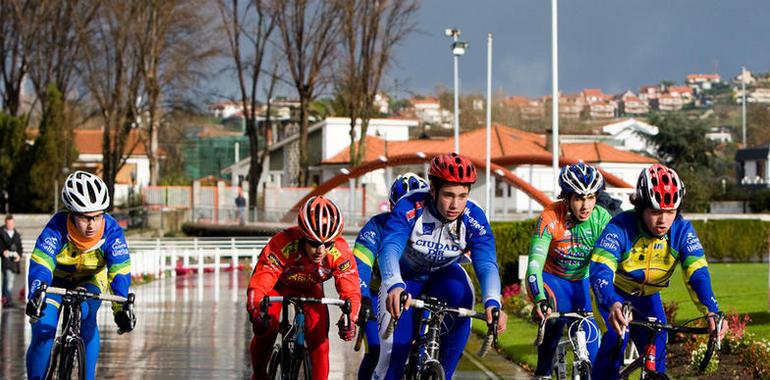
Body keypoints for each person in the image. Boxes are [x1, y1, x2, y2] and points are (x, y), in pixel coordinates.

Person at [374, 152, 508, 380]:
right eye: (448, 195)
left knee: (463, 290)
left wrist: (493, 302)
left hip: (442, 277)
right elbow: (390, 247)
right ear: (433, 190)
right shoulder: (411, 204)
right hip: (406, 278)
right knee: (393, 357)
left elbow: (486, 263)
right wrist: (394, 284)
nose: (455, 204)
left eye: (462, 196)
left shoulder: (474, 217)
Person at [589, 164, 728, 379]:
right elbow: (600, 269)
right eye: (655, 212)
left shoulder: (682, 230)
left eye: (670, 212)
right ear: (641, 207)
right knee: (617, 338)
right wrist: (612, 302)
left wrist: (711, 310)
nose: (663, 220)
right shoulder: (621, 226)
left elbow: (697, 273)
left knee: (659, 343)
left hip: (647, 297)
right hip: (614, 294)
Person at [25, 171, 135, 380]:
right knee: (43, 332)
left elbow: (119, 271)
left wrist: (121, 308)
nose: (92, 224)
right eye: (85, 218)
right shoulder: (56, 227)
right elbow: (42, 263)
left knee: (87, 317)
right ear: (72, 214)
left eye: (98, 216)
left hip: (90, 279)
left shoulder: (112, 232)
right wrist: (36, 294)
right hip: (55, 281)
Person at [246, 195, 361, 380]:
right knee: (267, 328)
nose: (321, 250)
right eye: (314, 243)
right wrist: (256, 311)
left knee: (320, 344)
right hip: (278, 286)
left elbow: (351, 292)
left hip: (310, 288)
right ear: (303, 235)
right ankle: (259, 374)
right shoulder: (282, 243)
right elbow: (259, 286)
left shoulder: (341, 253)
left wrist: (350, 318)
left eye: (328, 243)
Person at [527, 162, 610, 378]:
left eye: (591, 197)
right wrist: (539, 298)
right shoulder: (551, 217)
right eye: (579, 198)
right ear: (567, 198)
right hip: (551, 279)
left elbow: (611, 262)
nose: (586, 206)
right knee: (553, 318)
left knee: (592, 346)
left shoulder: (601, 219)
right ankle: (543, 372)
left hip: (580, 281)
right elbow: (535, 263)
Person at [353, 173, 428, 380]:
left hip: (416, 295)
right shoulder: (376, 226)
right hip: (379, 294)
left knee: (422, 349)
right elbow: (361, 265)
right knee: (377, 350)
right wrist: (363, 297)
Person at [1, 214, 23, 307]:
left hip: (14, 261)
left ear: (14, 223)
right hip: (5, 260)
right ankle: (8, 300)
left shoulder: (16, 235)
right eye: (8, 224)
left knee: (8, 280)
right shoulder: (1, 233)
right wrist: (3, 251)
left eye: (11, 223)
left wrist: (19, 255)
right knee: (8, 280)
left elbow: (20, 248)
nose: (10, 225)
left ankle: (5, 298)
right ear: (5, 223)